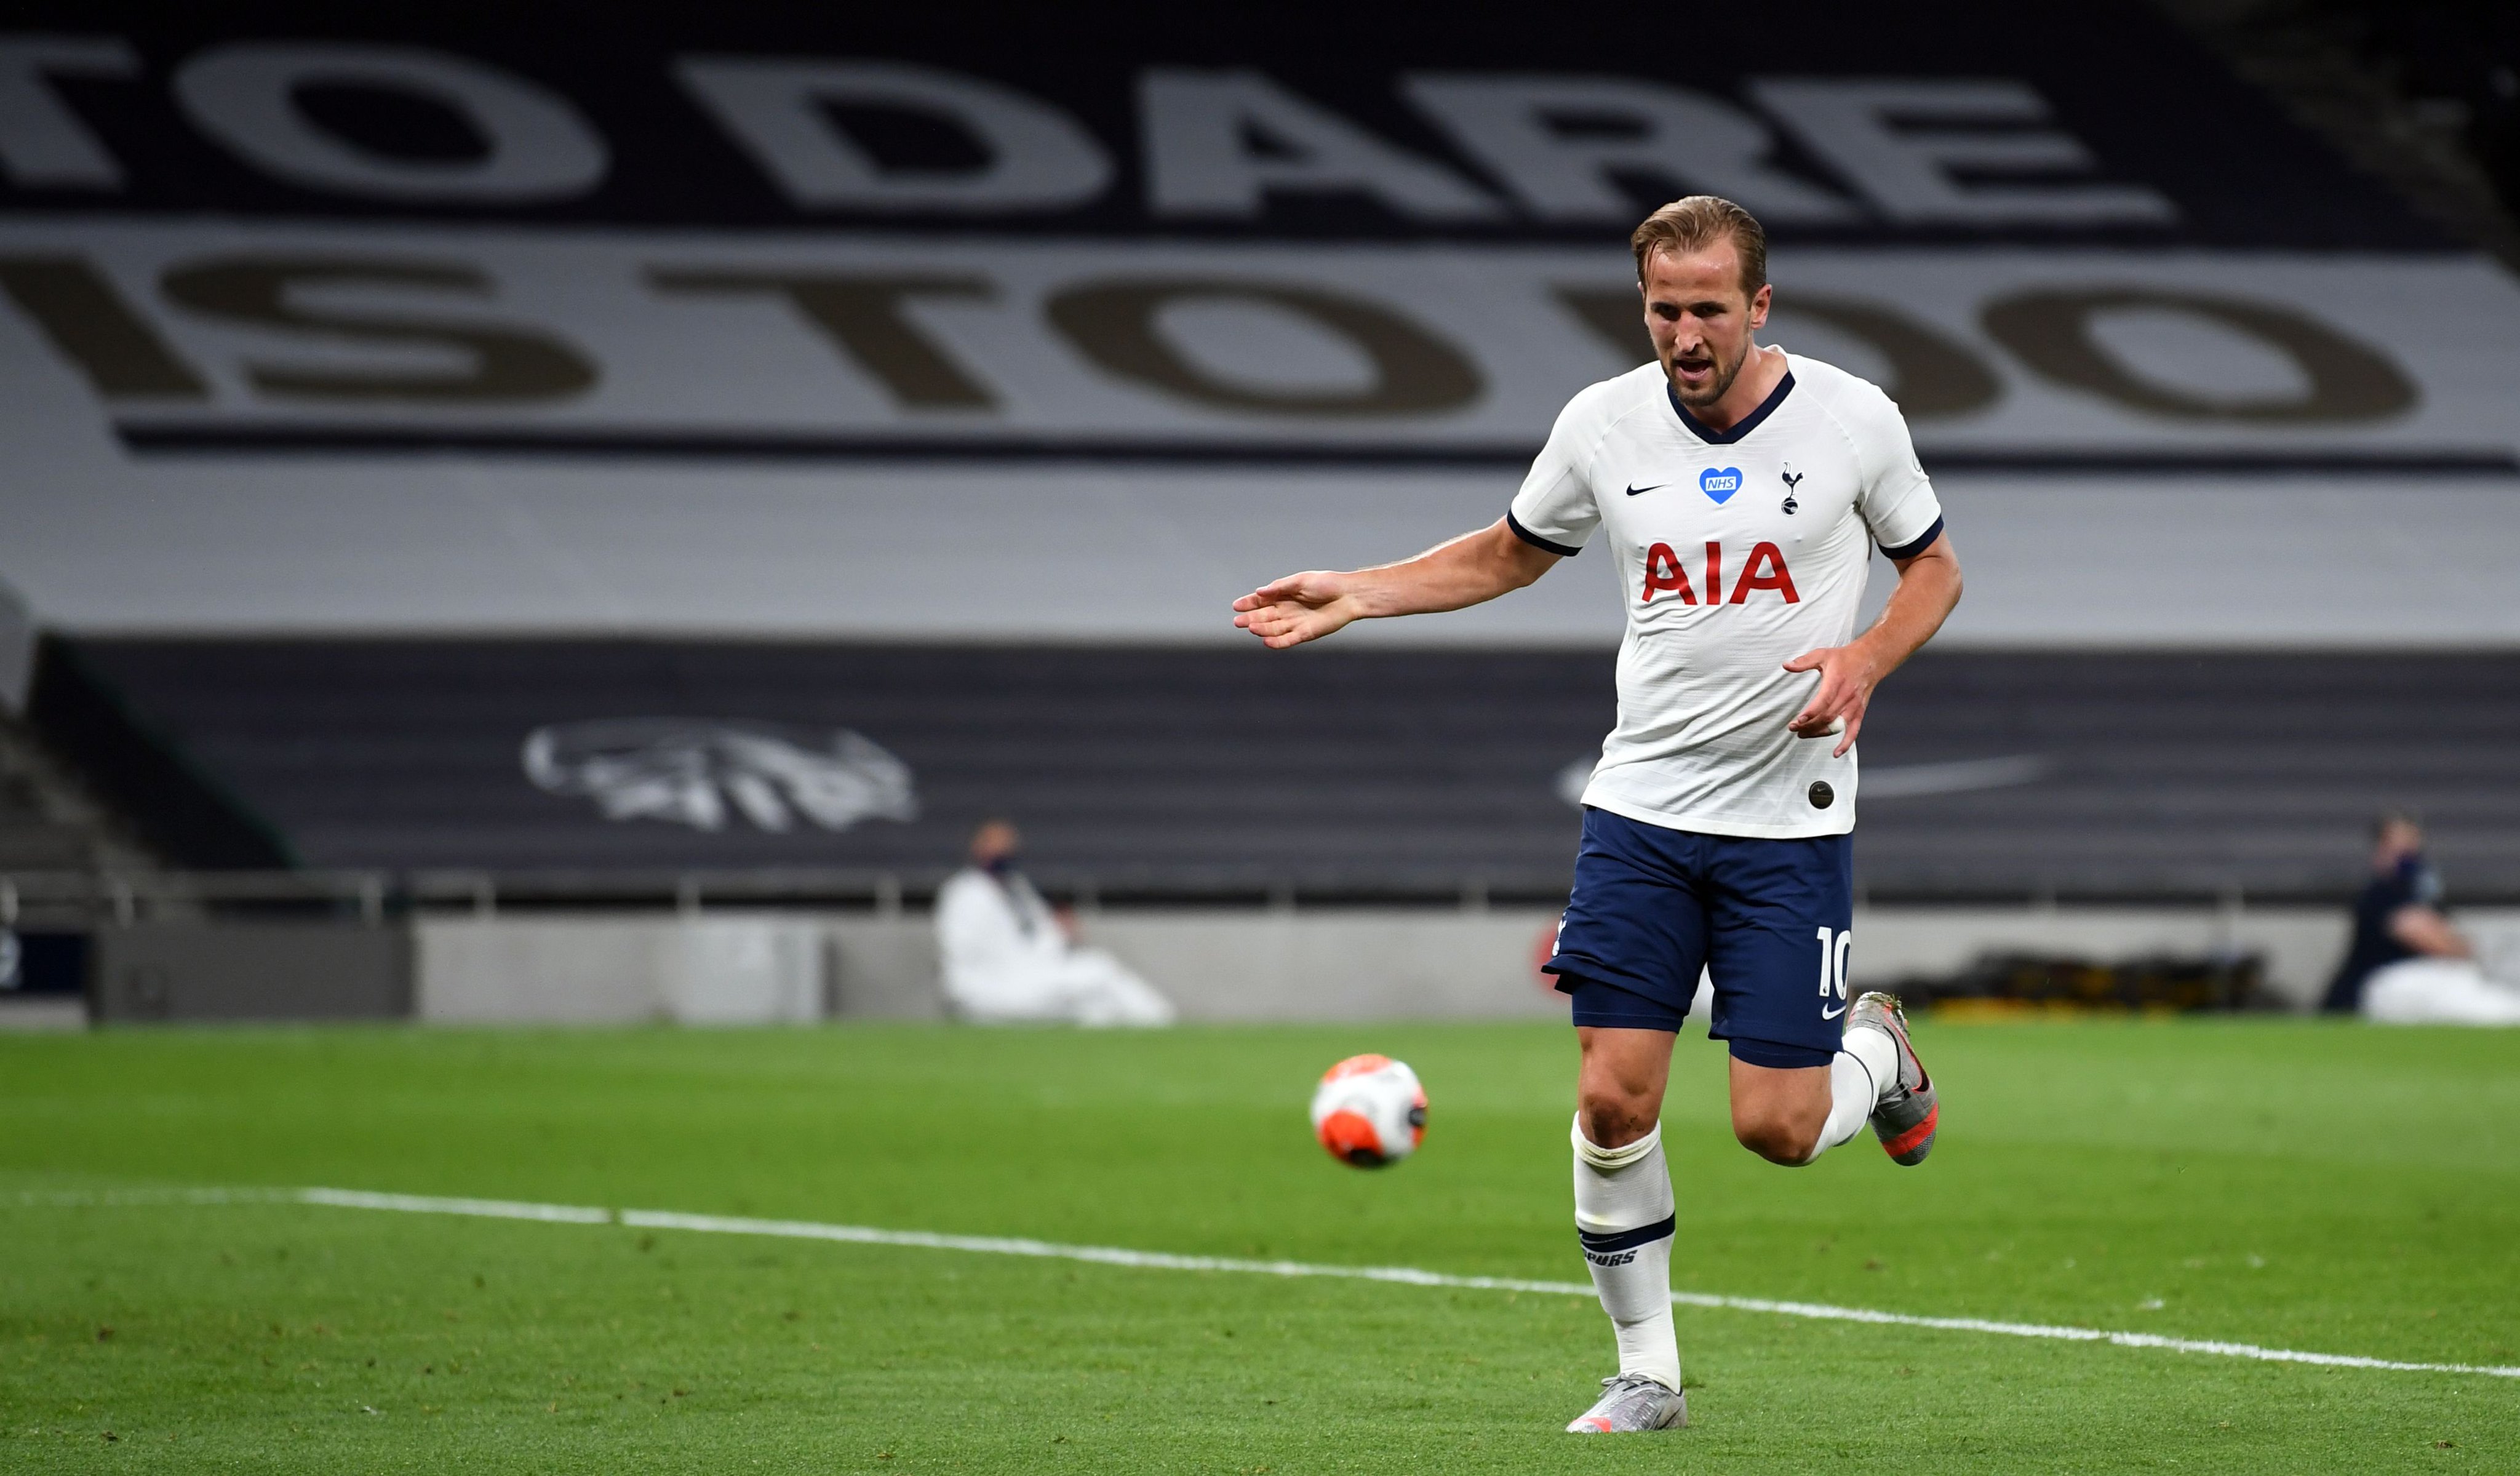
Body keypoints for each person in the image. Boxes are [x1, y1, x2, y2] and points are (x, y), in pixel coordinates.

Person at [1232, 196, 1962, 1434]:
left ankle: (1879, 1051)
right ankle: (1647, 1371)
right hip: (1639, 812)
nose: (1683, 332)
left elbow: (1932, 566)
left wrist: (1868, 657)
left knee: (1776, 1129)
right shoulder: (1601, 423)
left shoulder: (1851, 420)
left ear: (1758, 305)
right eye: (1663, 308)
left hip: (1789, 822)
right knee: (1613, 1099)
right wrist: (1360, 588)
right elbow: (1512, 550)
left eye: (1707, 309)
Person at [934, 820, 1176, 1027]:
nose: (1004, 851)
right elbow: (968, 951)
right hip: (989, 988)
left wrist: (1060, 933)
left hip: (1026, 979)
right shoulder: (965, 893)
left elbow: (1042, 934)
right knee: (1098, 968)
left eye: (1009, 844)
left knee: (1097, 1008)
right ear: (979, 847)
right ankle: (1164, 1023)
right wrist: (1042, 950)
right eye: (997, 843)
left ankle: (1106, 1062)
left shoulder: (1017, 888)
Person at [2322, 814, 2520, 1024]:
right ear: (2381, 848)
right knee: (2471, 1000)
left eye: (2411, 840)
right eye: (2398, 842)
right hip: (2389, 981)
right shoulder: (2384, 890)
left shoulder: (2422, 889)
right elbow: (2420, 933)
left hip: (2426, 976)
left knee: (2474, 989)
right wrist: (2463, 950)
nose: (2407, 849)